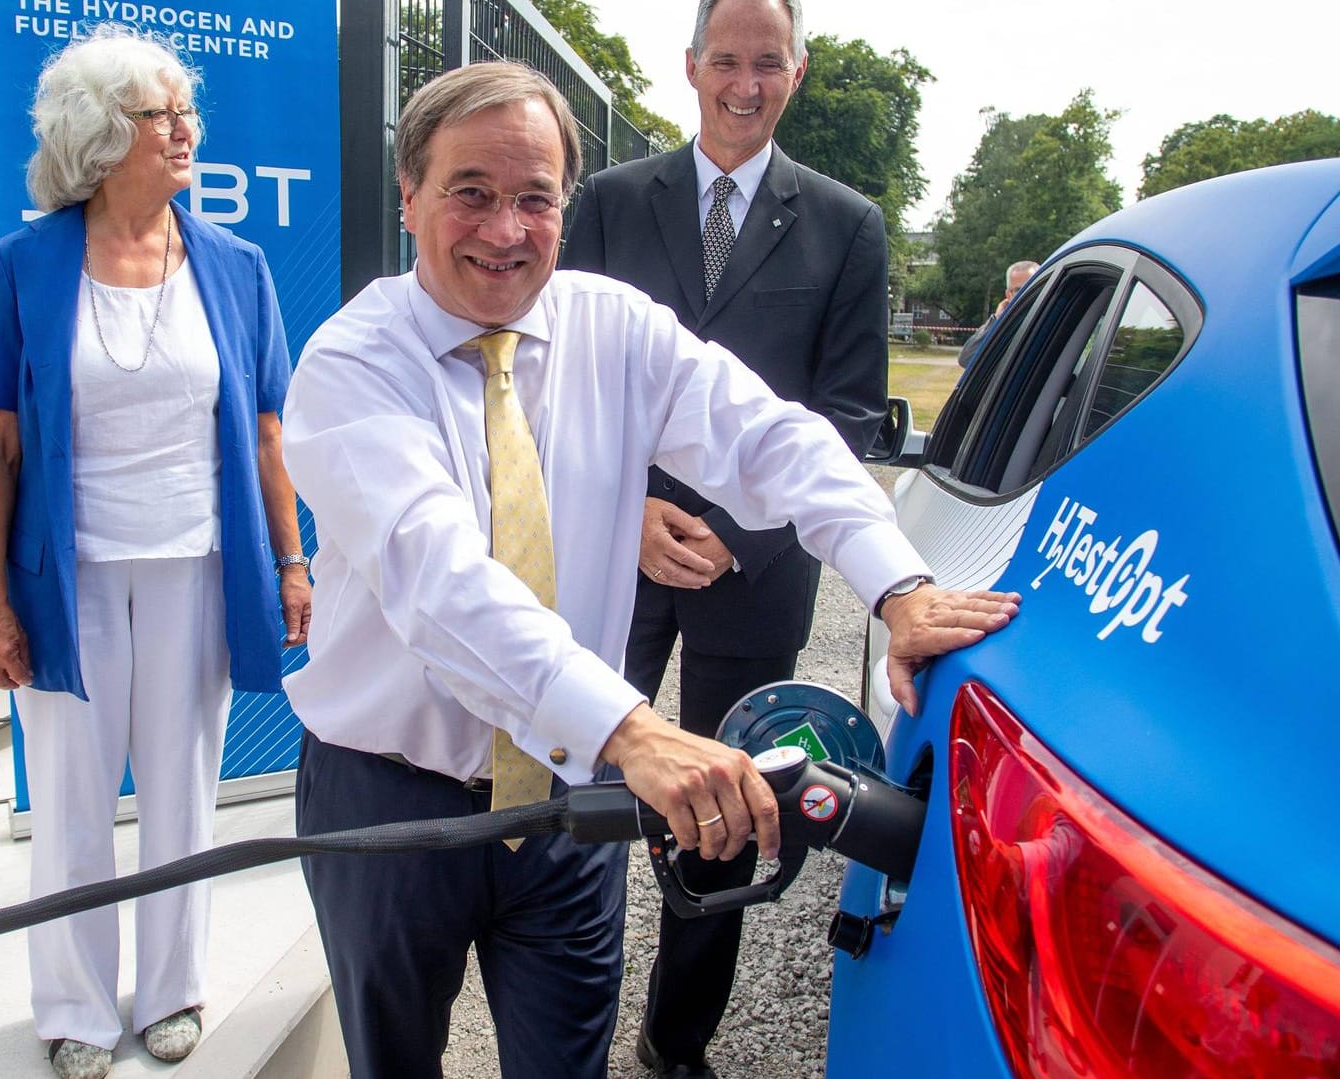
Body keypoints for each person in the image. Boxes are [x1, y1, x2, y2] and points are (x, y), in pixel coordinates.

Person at [279, 60, 1018, 1079]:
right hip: (393, 802)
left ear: (565, 206)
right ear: (409, 199)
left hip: (569, 801)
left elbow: (774, 440)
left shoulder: (613, 327)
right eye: (472, 195)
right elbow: (442, 579)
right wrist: (637, 730)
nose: (506, 229)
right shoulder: (352, 362)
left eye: (535, 198)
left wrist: (898, 585)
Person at [0, 25, 310, 1079]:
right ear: (104, 135)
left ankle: (172, 989)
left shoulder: (236, 265)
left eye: (184, 113)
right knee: (67, 799)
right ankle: (69, 1006)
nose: (187, 131)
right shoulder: (27, 265)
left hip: (199, 564)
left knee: (182, 788)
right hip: (66, 577)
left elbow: (265, 434)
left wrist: (294, 563)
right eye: (164, 115)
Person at [559, 1, 886, 1070]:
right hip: (618, 552)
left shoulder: (848, 225)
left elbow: (841, 417)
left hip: (758, 569)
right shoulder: (606, 203)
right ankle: (562, 1024)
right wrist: (630, 511)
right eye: (727, 62)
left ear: (799, 70)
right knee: (586, 788)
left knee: (730, 812)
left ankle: (674, 1037)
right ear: (691, 66)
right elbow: (560, 379)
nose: (745, 83)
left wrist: (734, 530)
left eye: (768, 64)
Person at [957, 259, 1040, 367]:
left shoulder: (1059, 314)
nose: (1027, 293)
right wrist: (996, 320)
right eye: (1019, 290)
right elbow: (966, 359)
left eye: (1033, 286)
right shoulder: (1006, 327)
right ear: (1008, 295)